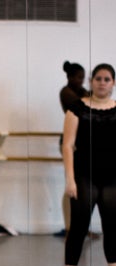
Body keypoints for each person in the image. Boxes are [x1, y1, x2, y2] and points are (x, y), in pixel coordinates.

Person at [57, 63, 116, 266]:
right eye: (98, 78)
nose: (102, 83)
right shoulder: (76, 108)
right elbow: (67, 146)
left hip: (112, 180)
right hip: (84, 178)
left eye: (107, 79)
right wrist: (70, 179)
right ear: (91, 81)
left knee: (112, 229)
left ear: (113, 83)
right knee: (78, 229)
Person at [54, 61, 89, 237]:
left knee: (84, 187)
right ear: (69, 77)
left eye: (83, 78)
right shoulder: (66, 92)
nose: (81, 81)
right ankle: (70, 227)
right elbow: (83, 107)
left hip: (82, 142)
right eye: (78, 77)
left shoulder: (82, 91)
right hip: (70, 142)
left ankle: (81, 228)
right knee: (72, 185)